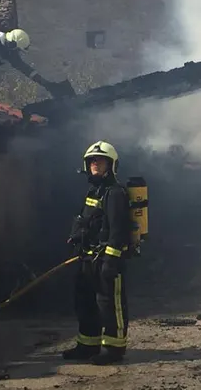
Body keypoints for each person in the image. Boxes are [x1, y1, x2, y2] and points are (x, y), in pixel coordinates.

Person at [63, 141, 131, 365]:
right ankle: (87, 345)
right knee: (85, 302)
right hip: (88, 257)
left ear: (111, 165)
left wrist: (111, 259)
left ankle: (114, 349)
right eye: (92, 160)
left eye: (100, 161)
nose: (95, 164)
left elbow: (118, 229)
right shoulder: (94, 191)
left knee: (109, 304)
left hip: (106, 259)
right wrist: (76, 236)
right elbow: (85, 219)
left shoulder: (115, 193)